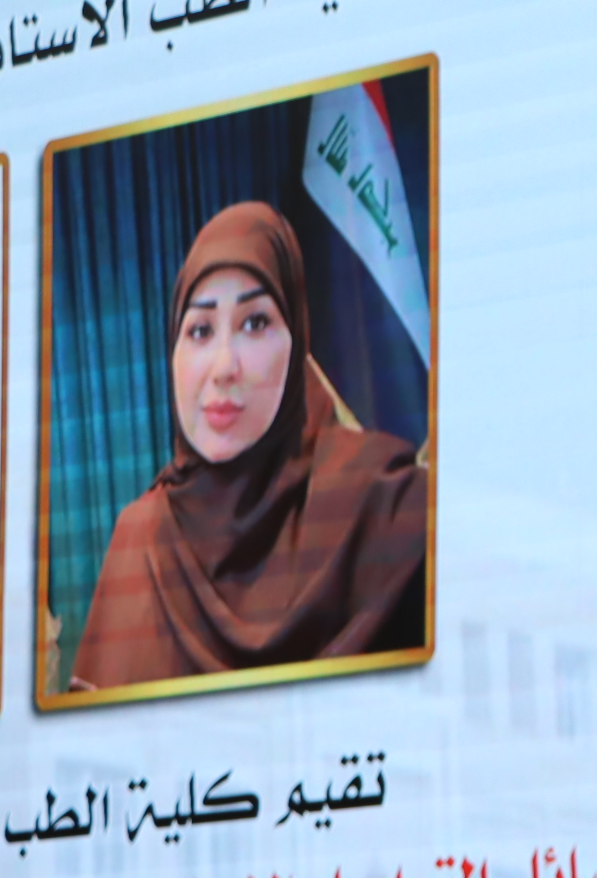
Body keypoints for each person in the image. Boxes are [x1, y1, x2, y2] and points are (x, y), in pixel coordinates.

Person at [71, 202, 427, 691]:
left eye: (255, 323)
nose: (224, 367)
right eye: (200, 330)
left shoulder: (387, 509)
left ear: (297, 341)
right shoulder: (141, 539)